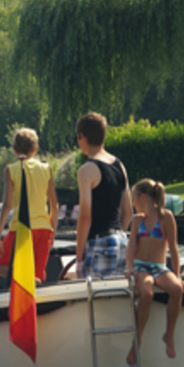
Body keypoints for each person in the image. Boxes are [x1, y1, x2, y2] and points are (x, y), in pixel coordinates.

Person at [125, 179, 184, 366]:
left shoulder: (167, 217)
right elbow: (131, 248)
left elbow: (174, 250)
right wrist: (129, 268)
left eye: (134, 199)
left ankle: (169, 335)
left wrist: (177, 276)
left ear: (143, 198)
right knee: (147, 291)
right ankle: (137, 340)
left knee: (176, 289)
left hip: (159, 267)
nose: (133, 204)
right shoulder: (137, 220)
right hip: (141, 266)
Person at [0, 128, 58, 282]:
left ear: (14, 149)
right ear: (36, 149)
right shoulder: (46, 169)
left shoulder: (11, 170)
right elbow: (54, 205)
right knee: (38, 274)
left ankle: (23, 276)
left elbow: (7, 205)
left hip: (21, 228)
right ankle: (31, 284)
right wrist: (53, 231)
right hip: (43, 228)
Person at [74, 112, 132, 278]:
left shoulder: (86, 170)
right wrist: (118, 236)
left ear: (83, 137)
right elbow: (128, 211)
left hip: (98, 243)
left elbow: (85, 216)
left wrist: (79, 256)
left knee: (94, 298)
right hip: (121, 241)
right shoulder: (119, 165)